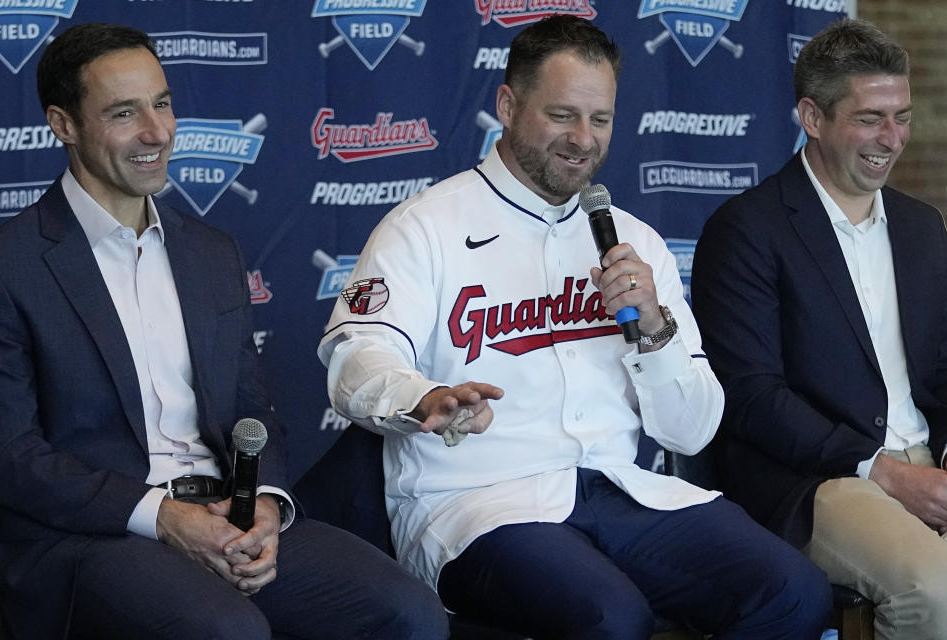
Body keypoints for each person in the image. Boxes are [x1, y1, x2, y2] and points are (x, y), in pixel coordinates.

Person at [320, 14, 832, 639]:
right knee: (609, 617)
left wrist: (653, 328)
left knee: (793, 591)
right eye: (562, 115)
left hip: (622, 493)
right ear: (508, 105)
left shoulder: (635, 242)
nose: (583, 140)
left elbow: (691, 432)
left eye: (601, 119)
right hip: (478, 504)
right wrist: (422, 396)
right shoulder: (424, 227)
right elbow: (357, 355)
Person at [0, 23, 448, 640]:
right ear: (64, 124)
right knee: (227, 631)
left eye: (163, 103)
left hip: (228, 512)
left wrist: (265, 504)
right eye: (124, 113)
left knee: (408, 613)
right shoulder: (7, 264)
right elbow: (8, 457)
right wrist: (164, 517)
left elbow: (252, 412)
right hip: (96, 535)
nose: (156, 132)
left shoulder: (210, 252)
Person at [691, 17, 947, 639]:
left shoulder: (921, 226)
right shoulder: (747, 230)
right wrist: (881, 470)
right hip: (816, 480)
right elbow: (752, 398)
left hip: (930, 460)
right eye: (869, 118)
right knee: (936, 591)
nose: (892, 138)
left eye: (903, 116)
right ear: (812, 117)